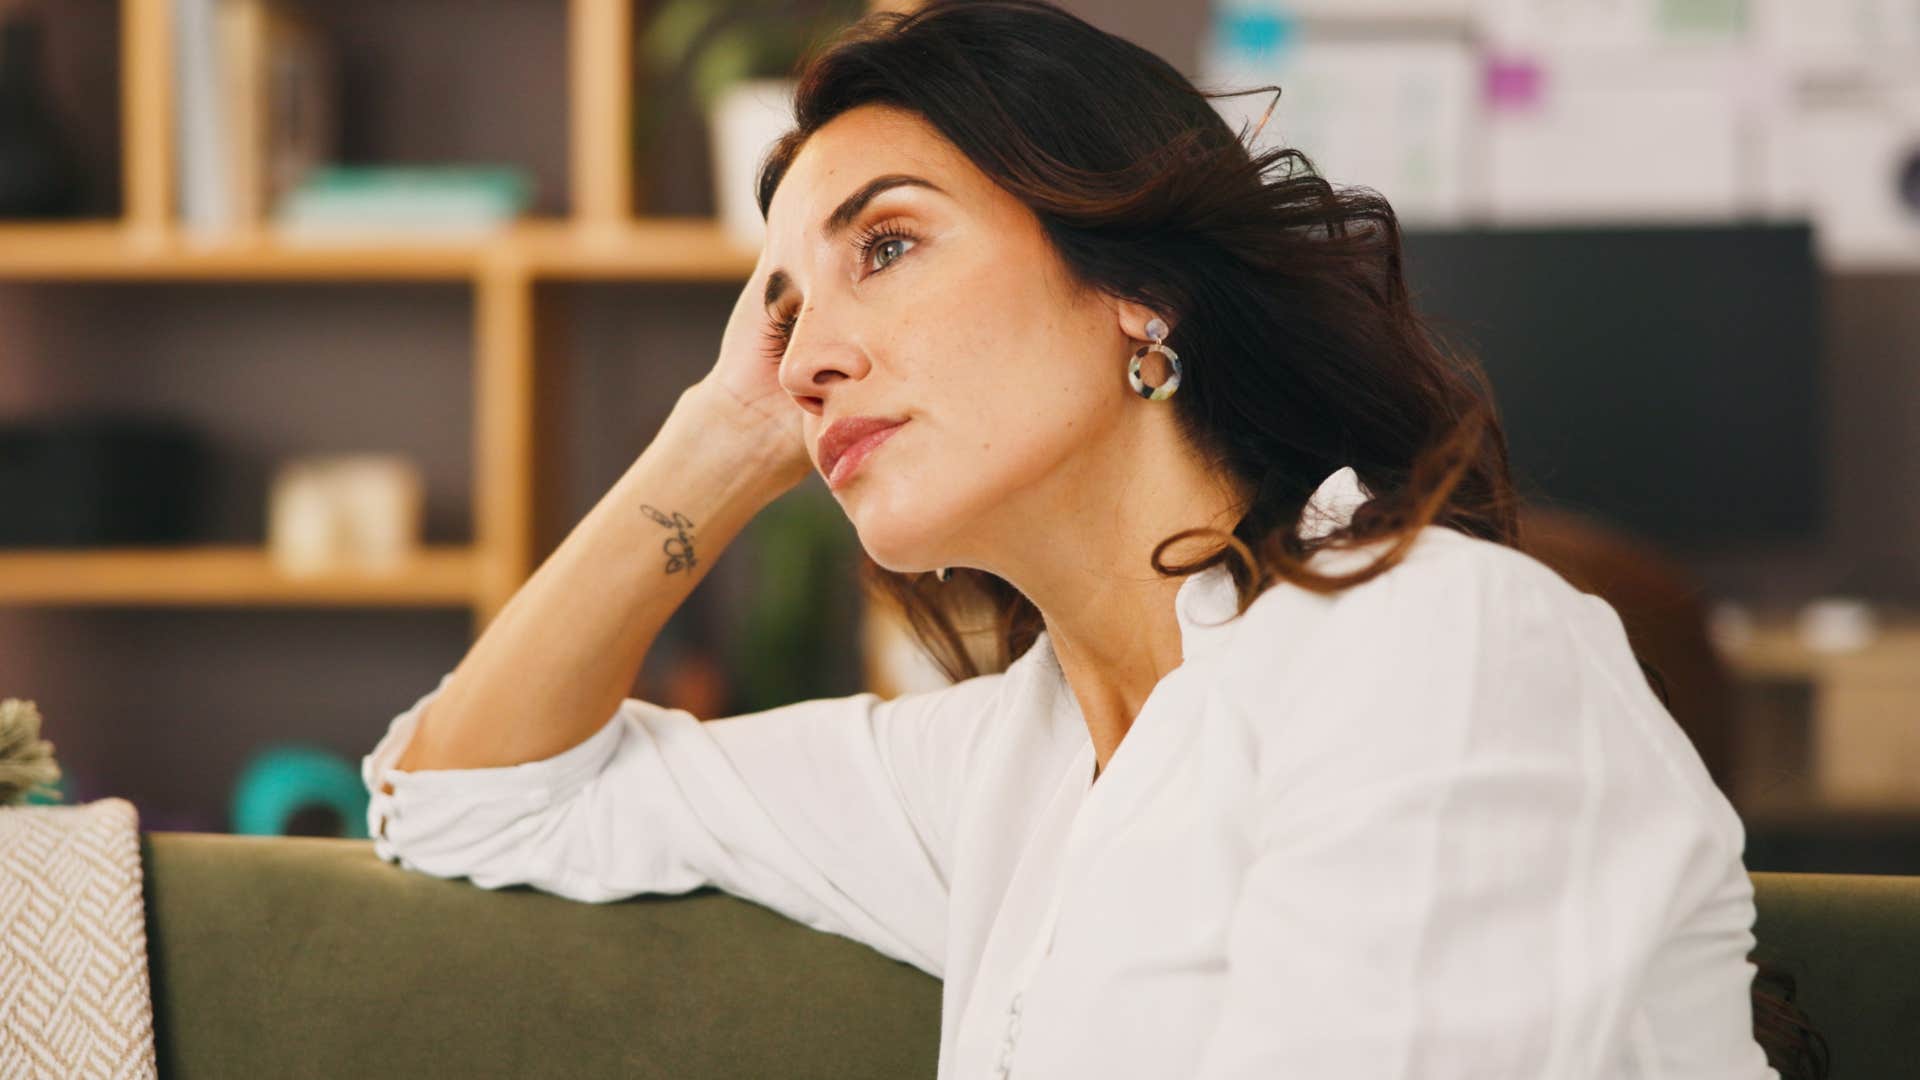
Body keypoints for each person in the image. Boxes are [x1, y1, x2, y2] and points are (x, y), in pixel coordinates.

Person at [361, 2, 1820, 1077]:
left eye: (887, 246)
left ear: (1135, 286)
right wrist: (727, 428)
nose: (806, 355)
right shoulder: (1007, 764)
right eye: (789, 311)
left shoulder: (1433, 647)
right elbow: (470, 802)